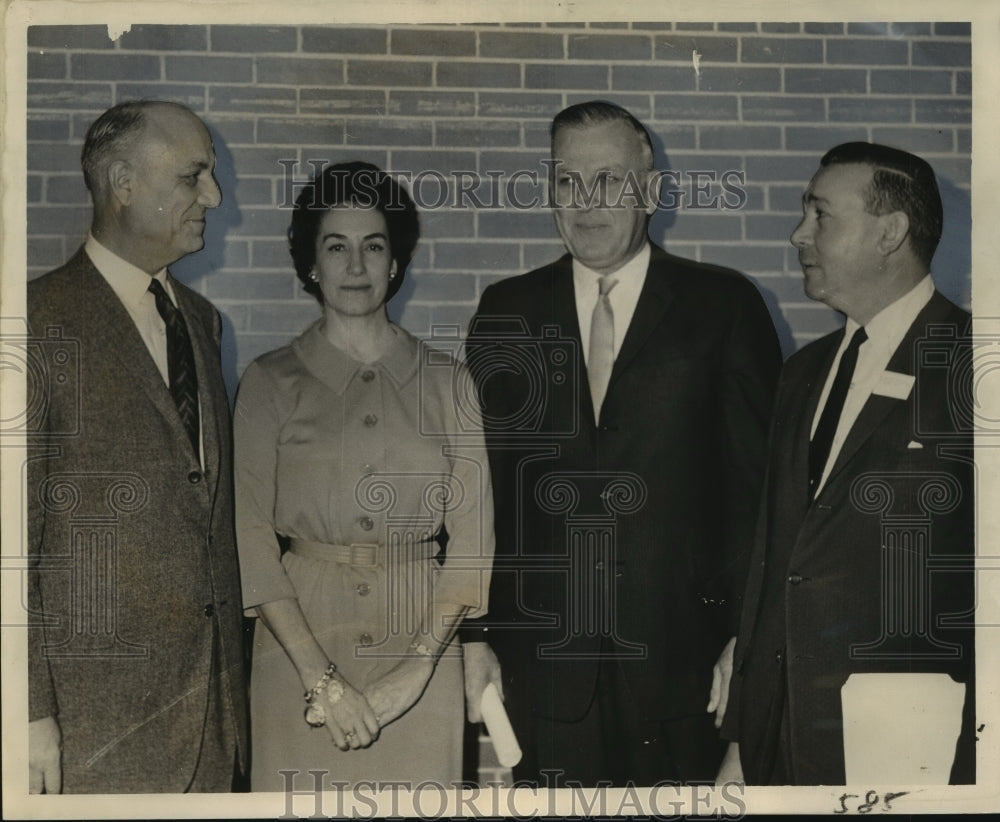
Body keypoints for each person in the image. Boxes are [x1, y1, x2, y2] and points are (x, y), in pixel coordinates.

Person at [461, 100, 782, 786]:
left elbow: (759, 495)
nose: (587, 201)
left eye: (608, 180)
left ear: (653, 190)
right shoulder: (507, 311)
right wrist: (478, 635)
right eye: (568, 181)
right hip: (547, 668)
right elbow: (485, 491)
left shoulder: (722, 306)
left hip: (684, 666)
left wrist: (747, 642)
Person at [714, 142, 975, 785]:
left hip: (915, 744)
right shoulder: (803, 373)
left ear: (890, 232)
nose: (799, 233)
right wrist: (742, 742)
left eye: (821, 214)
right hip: (783, 738)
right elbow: (776, 559)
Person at [234, 161, 494, 790]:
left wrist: (418, 670)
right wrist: (320, 678)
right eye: (336, 246)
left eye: (373, 246)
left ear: (396, 263)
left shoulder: (449, 381)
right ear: (311, 265)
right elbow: (249, 541)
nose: (356, 266)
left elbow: (471, 543)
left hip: (422, 640)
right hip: (297, 644)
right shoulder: (269, 383)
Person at [26, 100, 248, 793]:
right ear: (123, 181)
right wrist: (32, 714)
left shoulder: (204, 323)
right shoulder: (33, 323)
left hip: (215, 726)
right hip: (95, 732)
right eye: (193, 176)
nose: (213, 196)